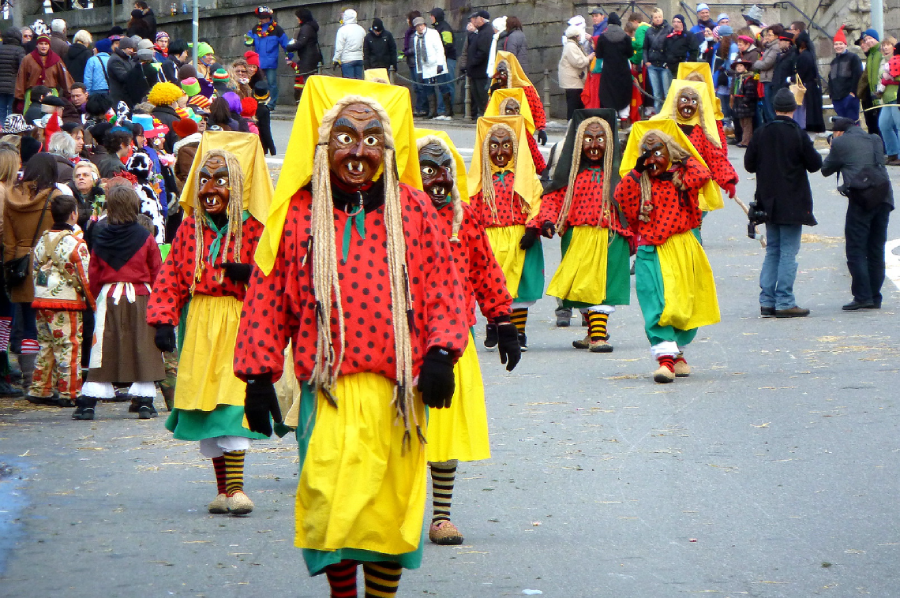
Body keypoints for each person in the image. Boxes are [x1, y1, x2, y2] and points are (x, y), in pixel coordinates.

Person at [234, 77, 466, 596]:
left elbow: (445, 282)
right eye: (344, 137)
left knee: (386, 513)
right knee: (330, 507)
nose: (357, 152)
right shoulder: (297, 214)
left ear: (387, 148)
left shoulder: (413, 208)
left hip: (396, 391)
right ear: (322, 146)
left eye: (370, 139)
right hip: (328, 390)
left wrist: (442, 351)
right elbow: (268, 296)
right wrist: (256, 376)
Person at [415, 130, 519, 545]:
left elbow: (486, 271)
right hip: (400, 341)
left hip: (455, 340)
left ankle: (441, 516)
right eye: (428, 171)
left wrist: (503, 320)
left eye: (445, 171)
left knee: (445, 431)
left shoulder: (466, 218)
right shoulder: (393, 218)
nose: (438, 181)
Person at [615, 121, 720, 382]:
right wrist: (637, 171)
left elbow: (703, 174)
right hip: (651, 250)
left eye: (658, 152)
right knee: (656, 304)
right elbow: (621, 198)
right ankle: (665, 361)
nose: (653, 159)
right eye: (647, 153)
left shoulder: (681, 178)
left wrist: (681, 157)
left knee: (683, 304)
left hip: (682, 247)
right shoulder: (640, 183)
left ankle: (678, 354)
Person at [537, 109, 632, 352]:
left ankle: (599, 336)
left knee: (602, 288)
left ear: (609, 143)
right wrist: (547, 221)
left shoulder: (619, 176)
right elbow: (552, 199)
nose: (594, 145)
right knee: (581, 286)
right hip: (577, 236)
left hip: (609, 237)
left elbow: (633, 201)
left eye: (600, 139)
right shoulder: (569, 176)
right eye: (588, 139)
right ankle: (593, 333)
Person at [75, 185, 164, 420]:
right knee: (142, 345)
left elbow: (94, 272)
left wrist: (96, 298)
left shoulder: (101, 236)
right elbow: (156, 270)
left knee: (104, 346)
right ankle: (144, 401)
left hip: (109, 295)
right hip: (140, 296)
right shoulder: (145, 237)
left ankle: (88, 403)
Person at [744, 88, 822, 318]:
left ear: (774, 108)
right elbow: (815, 163)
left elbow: (749, 164)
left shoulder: (762, 132)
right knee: (788, 252)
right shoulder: (796, 132)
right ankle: (785, 300)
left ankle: (767, 301)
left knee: (773, 251)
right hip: (793, 199)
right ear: (794, 108)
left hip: (768, 199)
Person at [469, 115, 543, 350]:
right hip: (490, 237)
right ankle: (494, 324)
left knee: (520, 286)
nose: (500, 151)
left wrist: (533, 227)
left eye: (506, 145)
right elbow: (470, 207)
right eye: (494, 145)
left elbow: (537, 201)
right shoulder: (480, 179)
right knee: (492, 283)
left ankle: (518, 332)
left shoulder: (525, 177)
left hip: (519, 236)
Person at [5, 153, 66, 396]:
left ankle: (32, 381)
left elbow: (8, 242)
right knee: (52, 327)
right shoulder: (56, 198)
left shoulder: (11, 196)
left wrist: (11, 270)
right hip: (48, 264)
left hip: (20, 263)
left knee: (28, 327)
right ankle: (50, 381)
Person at [28, 194, 94, 407]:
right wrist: (93, 304)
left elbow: (34, 270)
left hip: (41, 300)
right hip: (67, 303)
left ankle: (40, 389)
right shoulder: (76, 244)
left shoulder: (42, 240)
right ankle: (70, 392)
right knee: (69, 346)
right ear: (74, 214)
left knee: (45, 345)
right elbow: (85, 278)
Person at [822, 117, 893, 310]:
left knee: (856, 248)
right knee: (876, 248)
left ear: (838, 132)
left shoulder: (840, 142)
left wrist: (833, 148)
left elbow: (825, 169)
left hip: (862, 198)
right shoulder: (875, 138)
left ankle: (862, 296)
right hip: (884, 196)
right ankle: (875, 295)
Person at [244, 6, 289, 108]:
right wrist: (247, 40)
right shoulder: (255, 29)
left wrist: (289, 56)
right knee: (255, 83)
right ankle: (255, 102)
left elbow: (285, 44)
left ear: (269, 17)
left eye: (263, 17)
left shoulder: (277, 29)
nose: (261, 19)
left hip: (271, 62)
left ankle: (271, 104)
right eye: (259, 17)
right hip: (258, 62)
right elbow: (248, 40)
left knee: (271, 84)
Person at [15, 34, 75, 108]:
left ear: (49, 45)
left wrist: (70, 94)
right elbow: (21, 78)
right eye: (41, 44)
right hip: (32, 94)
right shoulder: (28, 59)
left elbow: (65, 77)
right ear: (37, 45)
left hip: (50, 93)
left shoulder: (56, 60)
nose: (44, 46)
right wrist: (20, 98)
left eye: (46, 44)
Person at [595, 13, 634, 124]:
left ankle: (611, 117)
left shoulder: (603, 37)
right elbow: (630, 53)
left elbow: (599, 54)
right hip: (623, 70)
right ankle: (624, 118)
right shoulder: (625, 37)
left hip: (608, 70)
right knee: (623, 93)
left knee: (609, 93)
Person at [412, 16, 447, 120]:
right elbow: (417, 55)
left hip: (436, 63)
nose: (420, 27)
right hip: (425, 66)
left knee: (442, 87)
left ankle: (447, 110)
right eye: (418, 26)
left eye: (421, 25)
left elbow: (439, 49)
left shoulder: (433, 33)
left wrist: (440, 64)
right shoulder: (416, 38)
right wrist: (419, 70)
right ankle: (433, 111)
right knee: (428, 89)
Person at [284, 8, 321, 103]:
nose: (297, 19)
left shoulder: (306, 28)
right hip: (311, 57)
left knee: (307, 81)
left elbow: (301, 43)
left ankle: (308, 102)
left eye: (298, 17)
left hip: (308, 58)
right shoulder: (310, 27)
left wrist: (289, 47)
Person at [829, 26, 863, 122]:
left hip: (849, 97)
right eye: (836, 44)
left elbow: (857, 75)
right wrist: (832, 94)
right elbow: (830, 79)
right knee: (841, 124)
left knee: (852, 123)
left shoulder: (853, 58)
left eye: (840, 44)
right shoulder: (834, 62)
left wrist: (853, 93)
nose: (838, 46)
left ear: (845, 45)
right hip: (837, 98)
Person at [559, 26, 594, 119]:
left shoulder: (574, 45)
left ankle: (575, 125)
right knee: (574, 106)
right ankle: (572, 126)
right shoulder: (571, 46)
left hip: (575, 81)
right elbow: (578, 62)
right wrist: (589, 57)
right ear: (576, 36)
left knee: (576, 105)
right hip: (572, 82)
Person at [793, 31, 825, 133]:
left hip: (805, 85)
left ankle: (806, 125)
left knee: (805, 110)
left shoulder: (804, 56)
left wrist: (790, 79)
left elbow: (800, 74)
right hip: (811, 85)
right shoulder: (810, 54)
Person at [643, 8, 673, 113]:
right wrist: (646, 61)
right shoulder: (649, 31)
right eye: (655, 17)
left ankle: (668, 114)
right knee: (656, 93)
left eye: (659, 17)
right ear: (652, 19)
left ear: (662, 17)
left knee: (667, 91)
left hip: (664, 65)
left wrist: (669, 62)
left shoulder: (669, 29)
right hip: (653, 65)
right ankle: (658, 113)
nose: (658, 19)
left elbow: (671, 47)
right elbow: (645, 47)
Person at [430, 8, 458, 119]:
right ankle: (442, 110)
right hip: (442, 60)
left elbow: (448, 44)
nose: (430, 18)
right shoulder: (437, 28)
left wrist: (439, 54)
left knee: (448, 84)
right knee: (442, 85)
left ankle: (447, 111)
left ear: (436, 16)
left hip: (448, 59)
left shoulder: (444, 28)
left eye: (432, 16)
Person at [467, 10, 494, 118]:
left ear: (482, 19)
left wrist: (472, 62)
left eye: (477, 18)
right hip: (477, 70)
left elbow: (483, 51)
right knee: (477, 94)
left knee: (481, 94)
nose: (475, 21)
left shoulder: (486, 32)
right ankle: (482, 112)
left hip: (480, 70)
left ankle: (485, 113)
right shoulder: (481, 31)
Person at [878, 38, 900, 165]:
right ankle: (892, 153)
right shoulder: (883, 61)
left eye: (888, 45)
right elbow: (880, 77)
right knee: (883, 125)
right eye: (883, 46)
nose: (885, 48)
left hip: (897, 97)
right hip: (886, 98)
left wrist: (890, 78)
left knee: (899, 126)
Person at [857, 29, 882, 137]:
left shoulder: (879, 53)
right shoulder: (870, 56)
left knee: (881, 125)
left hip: (880, 94)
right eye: (865, 40)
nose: (865, 43)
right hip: (869, 96)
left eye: (868, 39)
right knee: (872, 125)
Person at [730, 59, 758, 146]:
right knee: (742, 123)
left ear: (745, 67)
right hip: (739, 103)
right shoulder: (738, 78)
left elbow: (750, 91)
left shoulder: (747, 79)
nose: (738, 68)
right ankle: (744, 139)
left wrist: (746, 101)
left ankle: (746, 141)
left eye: (741, 66)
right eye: (737, 66)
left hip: (746, 104)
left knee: (747, 124)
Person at [332, 8, 365, 80]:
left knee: (349, 84)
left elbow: (339, 48)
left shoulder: (342, 30)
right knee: (359, 83)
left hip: (347, 59)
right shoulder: (361, 29)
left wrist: (336, 59)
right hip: (359, 58)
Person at [0, 28, 25, 121]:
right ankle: (10, 129)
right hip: (13, 85)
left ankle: (1, 129)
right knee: (11, 108)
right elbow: (23, 67)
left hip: (0, 86)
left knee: (1, 108)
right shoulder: (19, 50)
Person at [107, 37, 136, 106]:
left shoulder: (127, 58)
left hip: (126, 95)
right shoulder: (115, 60)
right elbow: (123, 77)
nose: (131, 50)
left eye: (132, 48)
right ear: (123, 48)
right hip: (119, 96)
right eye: (129, 48)